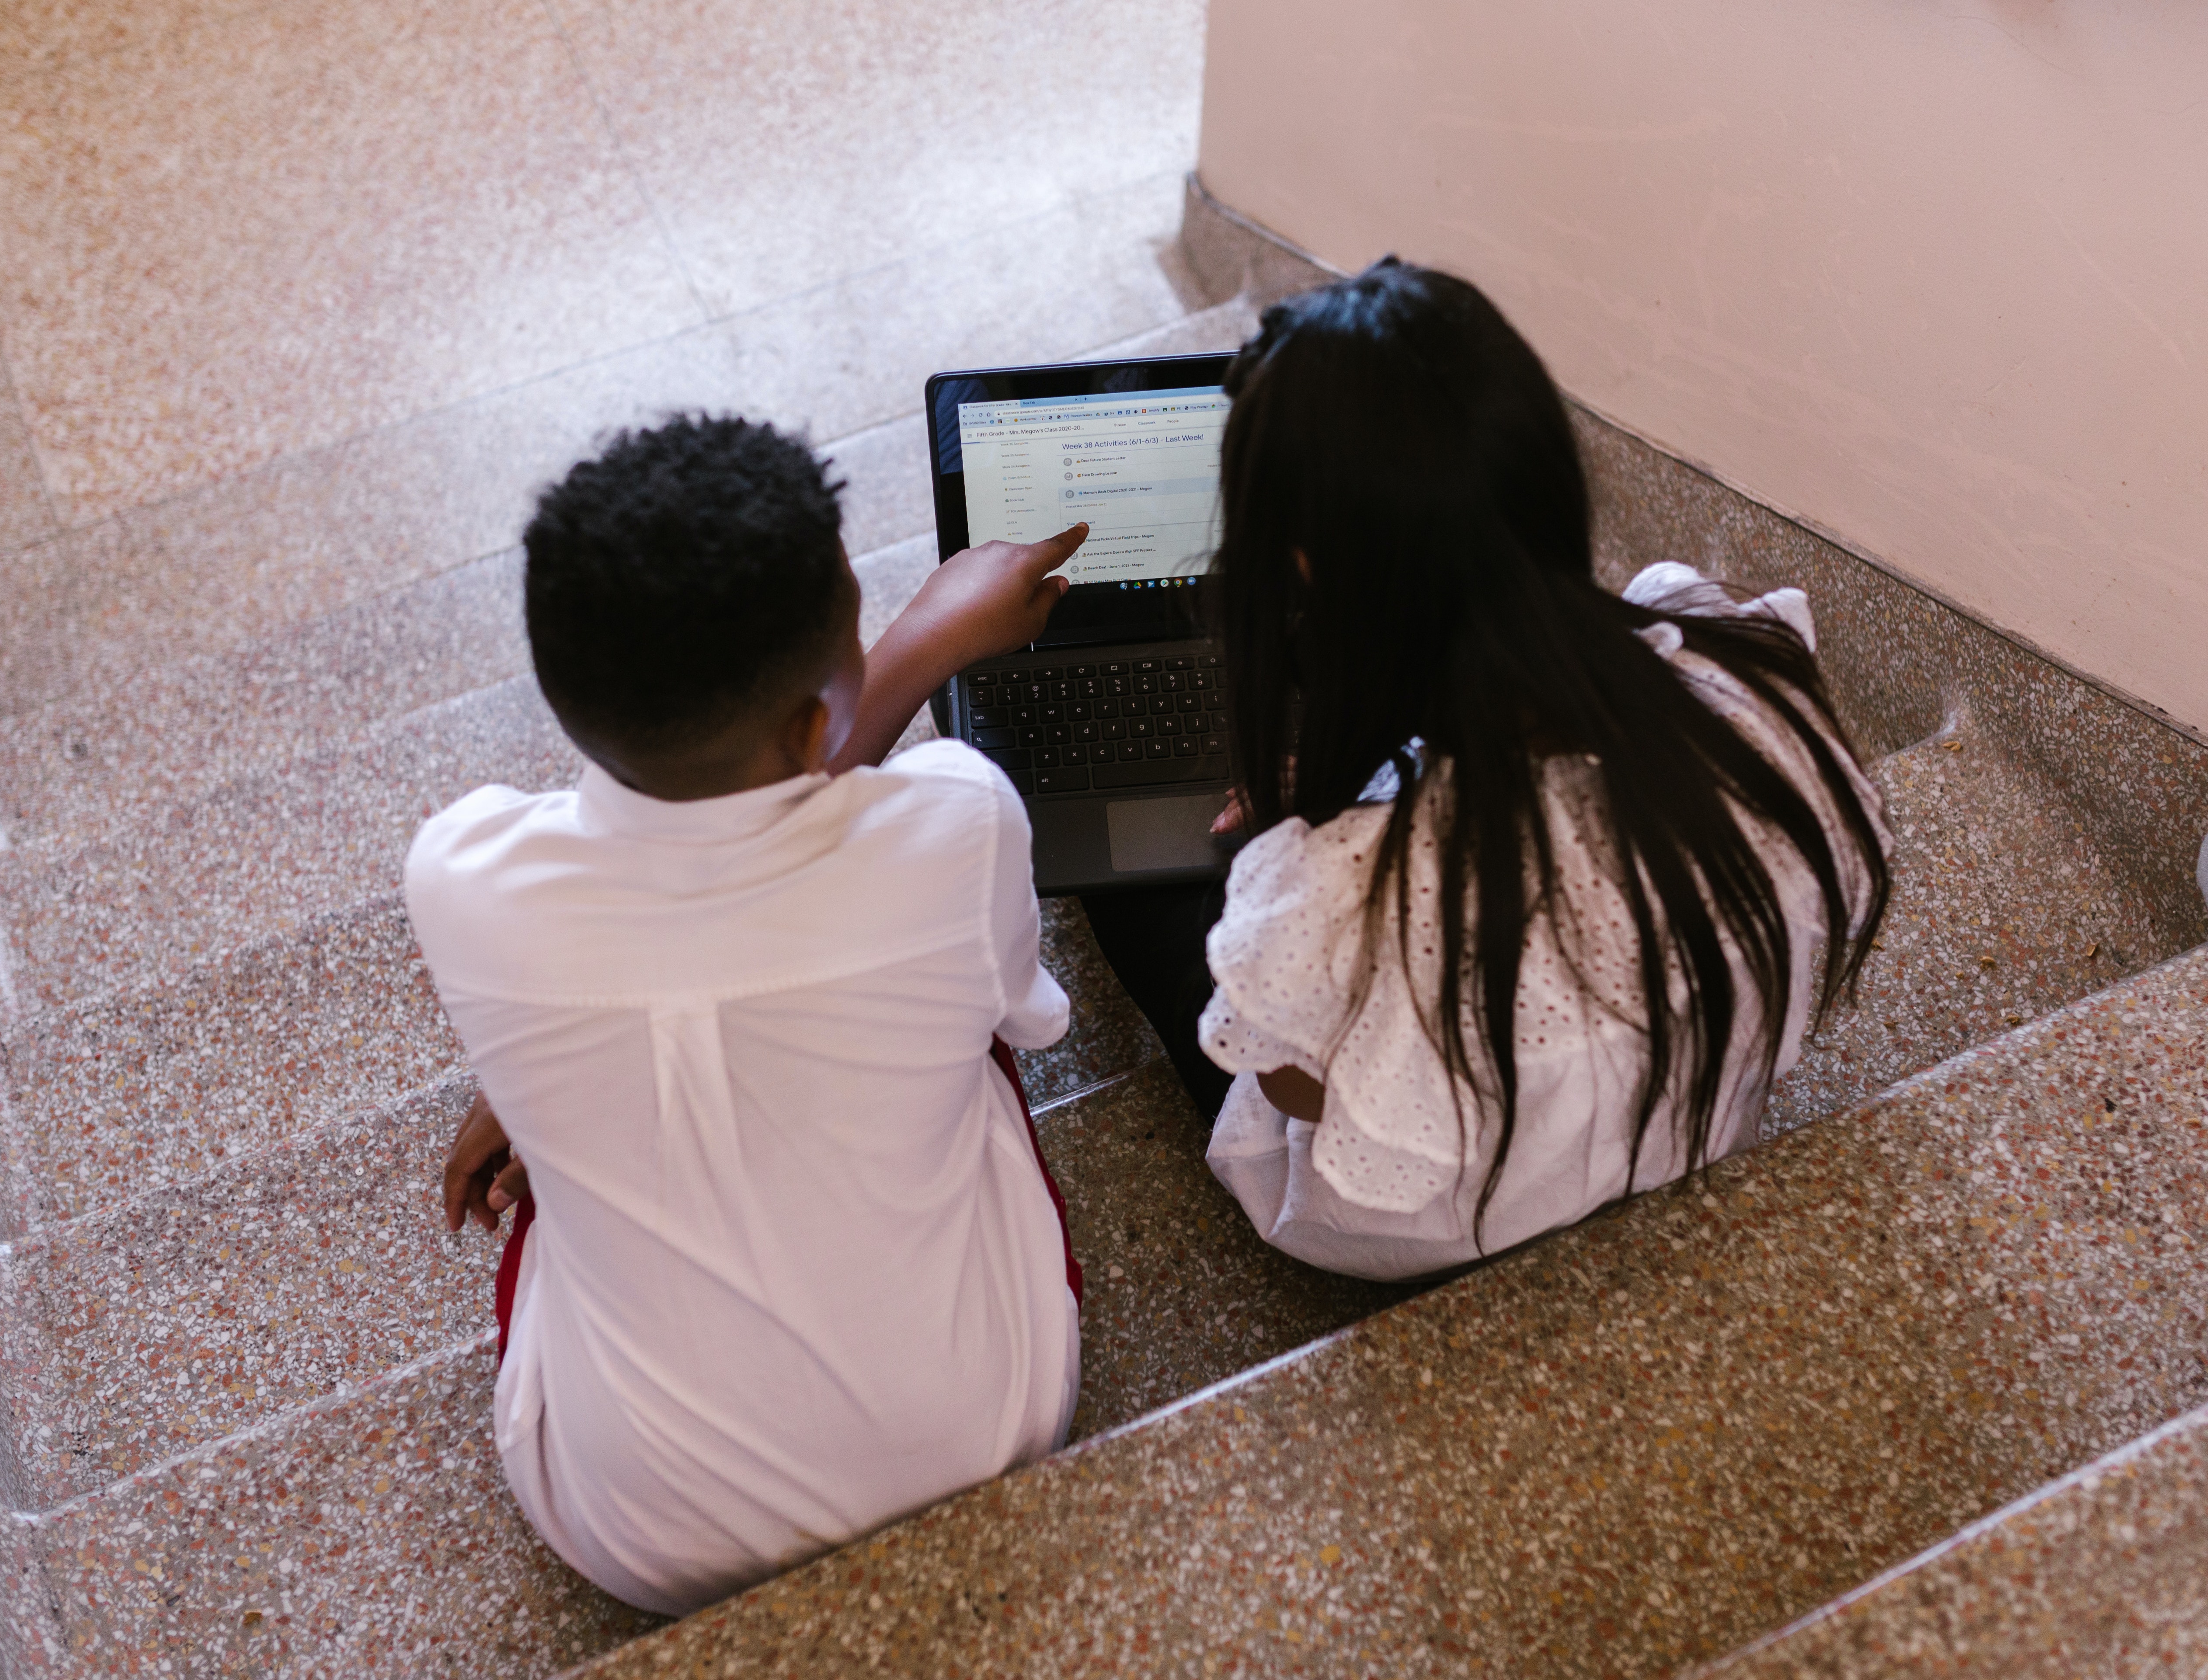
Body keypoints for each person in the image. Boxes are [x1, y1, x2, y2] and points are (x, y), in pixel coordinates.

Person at [1083, 259, 1894, 1280]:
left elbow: (1296, 1093)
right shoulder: (1754, 690)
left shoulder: (1339, 899)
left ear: (1303, 573)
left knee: (1142, 898)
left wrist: (1297, 845)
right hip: (1675, 1133)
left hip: (1427, 1229)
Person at [405, 416, 1090, 1615]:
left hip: (633, 1530)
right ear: (825, 719)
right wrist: (927, 642)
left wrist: (523, 1086)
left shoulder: (458, 875)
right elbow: (1024, 1018)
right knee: (971, 1031)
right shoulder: (958, 814)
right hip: (987, 1434)